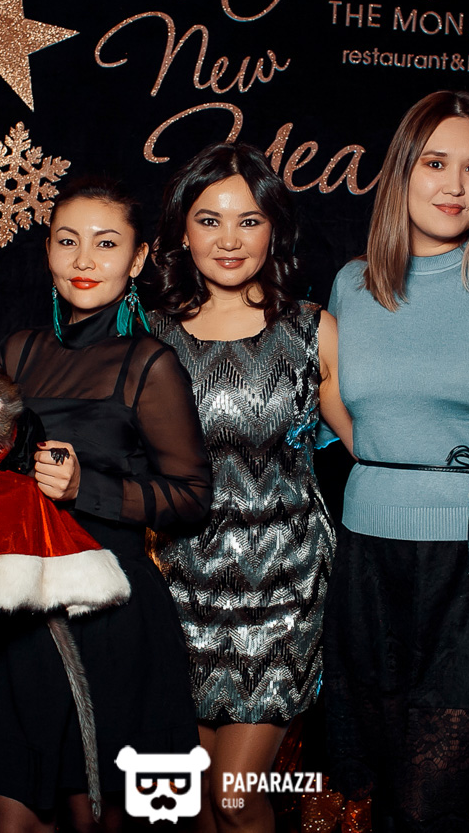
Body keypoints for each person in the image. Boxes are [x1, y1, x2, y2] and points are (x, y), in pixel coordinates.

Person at [322, 90, 469, 831]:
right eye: (435, 163)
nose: (455, 185)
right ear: (402, 170)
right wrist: (395, 468)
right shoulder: (353, 284)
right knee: (388, 784)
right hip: (372, 557)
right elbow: (344, 402)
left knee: (432, 799)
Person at [0, 177, 212, 833]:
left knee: (98, 818)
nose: (83, 260)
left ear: (137, 258)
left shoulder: (149, 363)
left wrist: (87, 490)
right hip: (19, 614)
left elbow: (193, 496)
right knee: (15, 820)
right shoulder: (18, 350)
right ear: (47, 248)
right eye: (67, 240)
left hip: (109, 616)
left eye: (105, 244)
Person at [146, 141, 351, 833]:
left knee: (236, 798)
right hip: (182, 587)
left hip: (285, 587)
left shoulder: (311, 329)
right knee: (196, 802)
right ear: (182, 231)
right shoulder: (149, 334)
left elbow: (370, 444)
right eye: (209, 220)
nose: (229, 240)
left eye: (249, 220)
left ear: (273, 230)